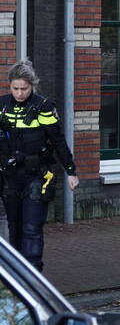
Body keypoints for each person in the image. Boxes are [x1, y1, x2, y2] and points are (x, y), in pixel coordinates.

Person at [0, 60, 78, 271]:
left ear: (32, 85)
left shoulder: (43, 107)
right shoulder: (2, 106)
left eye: (24, 89)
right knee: (14, 228)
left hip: (37, 175)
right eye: (15, 88)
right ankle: (18, 276)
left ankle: (34, 273)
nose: (19, 93)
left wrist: (71, 171)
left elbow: (58, 141)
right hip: (10, 176)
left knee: (32, 228)